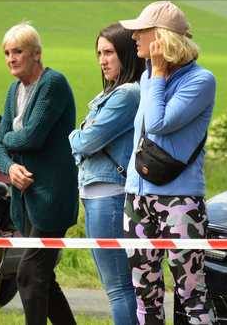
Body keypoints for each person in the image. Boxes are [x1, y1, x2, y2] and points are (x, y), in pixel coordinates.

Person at [119, 1, 216, 325]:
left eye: (141, 31)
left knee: (191, 293)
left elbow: (158, 123)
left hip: (180, 200)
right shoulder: (149, 77)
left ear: (161, 37)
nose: (133, 37)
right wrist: (155, 74)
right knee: (144, 293)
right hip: (137, 195)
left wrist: (159, 73)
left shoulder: (200, 81)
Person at [0, 22, 78, 325]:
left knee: (28, 276)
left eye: (18, 51)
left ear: (36, 53)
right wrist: (10, 167)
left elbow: (32, 137)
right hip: (25, 201)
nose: (11, 58)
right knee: (42, 278)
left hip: (51, 199)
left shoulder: (53, 83)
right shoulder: (14, 89)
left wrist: (8, 139)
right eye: (6, 53)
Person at [68, 23, 144, 325]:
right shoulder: (110, 93)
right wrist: (82, 139)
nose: (103, 59)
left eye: (110, 52)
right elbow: (86, 142)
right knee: (116, 286)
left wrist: (76, 137)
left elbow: (85, 140)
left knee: (119, 288)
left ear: (126, 53)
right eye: (99, 53)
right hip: (95, 193)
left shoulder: (127, 94)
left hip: (109, 194)